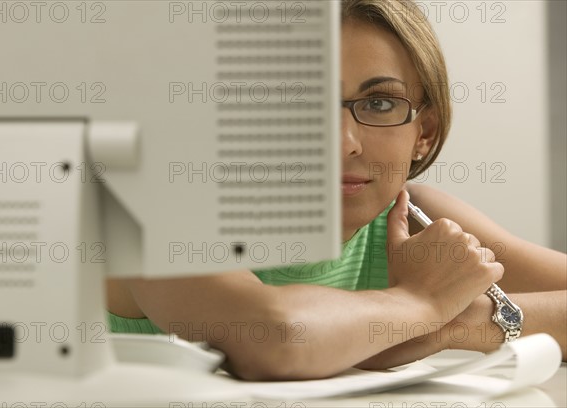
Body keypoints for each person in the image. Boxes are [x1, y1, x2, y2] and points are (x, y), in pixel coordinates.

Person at [106, 0, 567, 380]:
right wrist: (420, 302)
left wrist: (461, 322)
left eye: (380, 102)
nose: (342, 143)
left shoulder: (414, 220)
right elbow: (273, 339)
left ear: (423, 131)